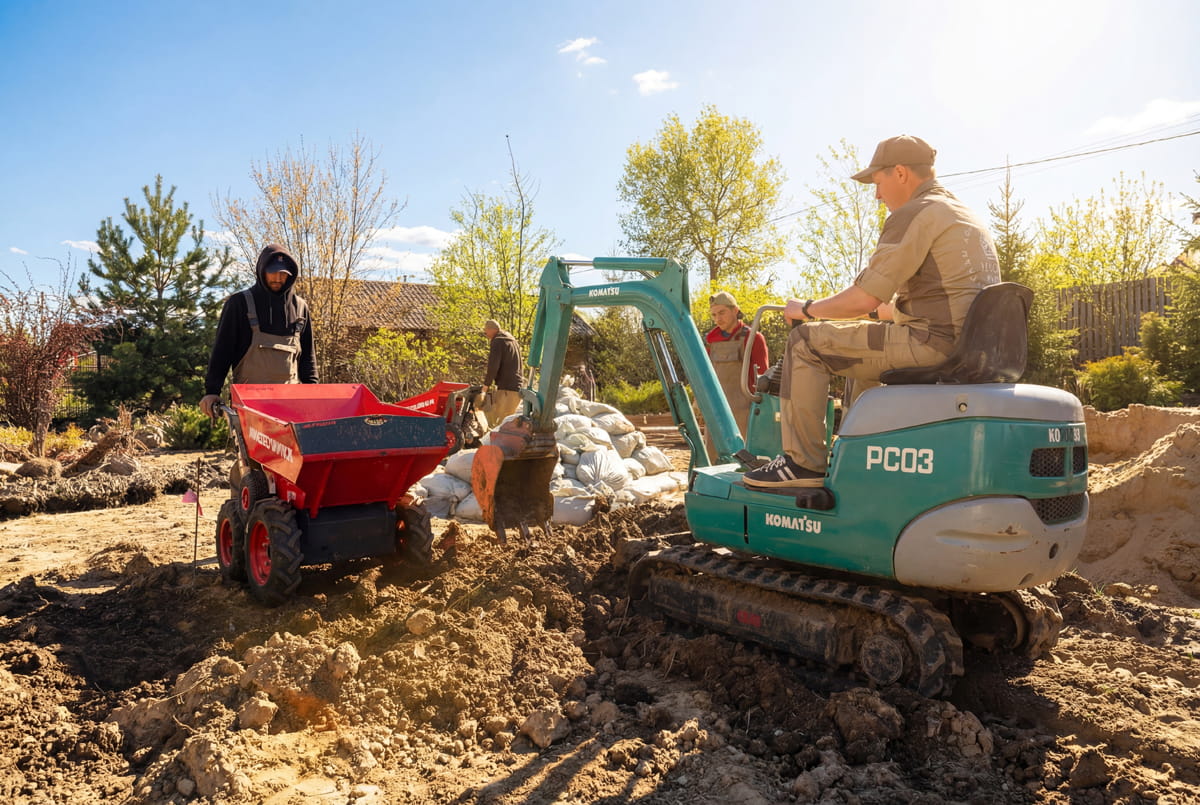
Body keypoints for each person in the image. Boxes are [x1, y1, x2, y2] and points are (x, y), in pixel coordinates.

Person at [743, 135, 1000, 489]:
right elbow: (955, 299)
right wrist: (890, 312)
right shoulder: (964, 215)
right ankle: (857, 457)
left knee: (805, 342)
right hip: (968, 348)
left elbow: (862, 298)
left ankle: (802, 465)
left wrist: (806, 309)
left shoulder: (915, 213)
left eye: (878, 184)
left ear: (899, 173)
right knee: (858, 354)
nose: (877, 196)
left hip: (933, 344)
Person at [199, 243, 317, 419]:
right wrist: (212, 391)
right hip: (249, 407)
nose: (278, 278)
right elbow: (222, 351)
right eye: (273, 272)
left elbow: (308, 357)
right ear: (262, 271)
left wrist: (314, 393)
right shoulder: (239, 304)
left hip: (290, 406)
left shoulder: (300, 308)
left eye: (284, 273)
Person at [705, 291, 769, 443]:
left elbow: (763, 378)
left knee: (744, 456)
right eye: (714, 315)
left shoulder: (753, 338)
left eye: (722, 313)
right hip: (715, 409)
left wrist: (763, 408)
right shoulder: (710, 340)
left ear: (735, 310)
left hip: (744, 410)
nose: (718, 319)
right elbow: (705, 374)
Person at [480, 319, 523, 428]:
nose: (486, 334)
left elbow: (493, 366)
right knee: (508, 420)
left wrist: (486, 386)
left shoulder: (498, 341)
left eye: (486, 331)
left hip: (506, 389)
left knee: (498, 422)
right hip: (517, 387)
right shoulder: (512, 340)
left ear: (492, 330)